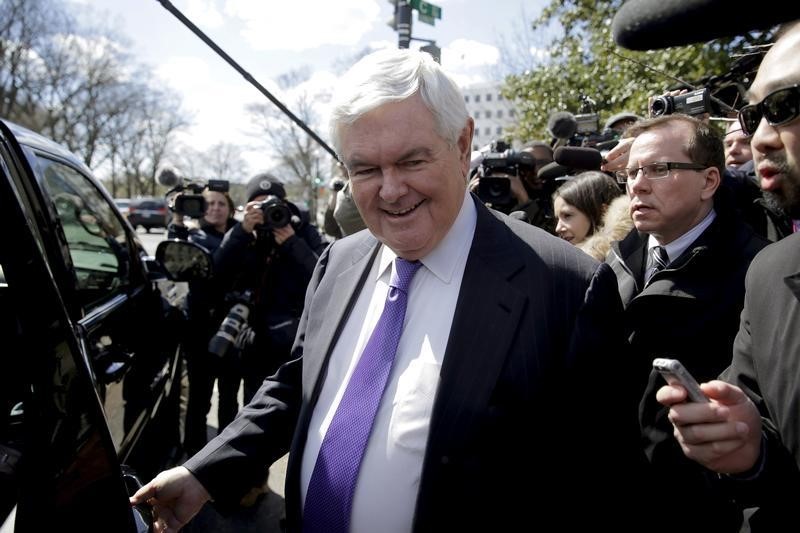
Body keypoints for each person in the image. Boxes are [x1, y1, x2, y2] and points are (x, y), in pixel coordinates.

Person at [131, 47, 641, 533]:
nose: (391, 191)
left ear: (463, 144)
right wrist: (205, 473)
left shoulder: (563, 286)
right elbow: (297, 385)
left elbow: (597, 485)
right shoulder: (339, 261)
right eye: (366, 170)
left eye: (412, 161)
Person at [657, 20, 800, 531]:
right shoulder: (770, 275)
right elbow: (770, 471)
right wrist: (747, 450)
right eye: (753, 113)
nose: (760, 138)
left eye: (785, 107)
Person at [605, 113, 770, 531]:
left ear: (710, 181)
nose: (637, 185)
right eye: (632, 172)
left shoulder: (757, 271)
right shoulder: (615, 261)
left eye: (659, 169)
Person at [213, 173, 326, 406]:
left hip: (291, 337)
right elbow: (219, 271)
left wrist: (293, 243)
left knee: (289, 406)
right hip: (252, 336)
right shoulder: (244, 233)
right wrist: (242, 232)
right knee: (252, 403)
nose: (267, 211)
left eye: (272, 203)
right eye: (259, 204)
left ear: (284, 204)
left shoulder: (303, 231)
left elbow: (324, 277)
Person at [167, 187, 239, 455]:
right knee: (200, 398)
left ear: (230, 208)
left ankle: (225, 456)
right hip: (200, 329)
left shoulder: (247, 234)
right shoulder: (194, 236)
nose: (215, 208)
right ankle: (194, 455)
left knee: (230, 398)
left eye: (221, 203)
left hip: (234, 327)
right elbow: (175, 256)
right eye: (209, 204)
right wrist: (177, 217)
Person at [551, 170, 626, 248]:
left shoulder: (627, 255)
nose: (558, 228)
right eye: (557, 219)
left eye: (567, 215)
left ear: (603, 213)